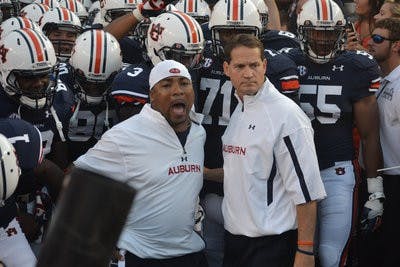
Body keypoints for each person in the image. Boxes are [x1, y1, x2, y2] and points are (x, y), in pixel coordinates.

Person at [74, 60, 208, 267]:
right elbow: (76, 178)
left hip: (190, 253)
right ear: (152, 95)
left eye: (184, 83)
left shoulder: (199, 131)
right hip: (142, 256)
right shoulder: (125, 135)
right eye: (166, 85)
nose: (177, 91)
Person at [284, 0, 383, 266]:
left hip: (336, 171)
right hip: (296, 175)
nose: (323, 39)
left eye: (330, 33)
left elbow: (369, 133)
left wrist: (375, 189)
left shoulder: (357, 67)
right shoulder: (287, 63)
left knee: (330, 255)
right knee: (301, 252)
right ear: (302, 31)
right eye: (316, 32)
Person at [220, 34, 325, 267]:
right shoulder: (241, 108)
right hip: (236, 243)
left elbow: (306, 191)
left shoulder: (287, 116)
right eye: (240, 66)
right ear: (226, 69)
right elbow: (247, 171)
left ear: (264, 66)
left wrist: (305, 251)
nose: (248, 73)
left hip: (272, 247)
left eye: (254, 65)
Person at [366, 17, 400, 267]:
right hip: (381, 177)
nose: (370, 43)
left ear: (397, 45)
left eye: (378, 39)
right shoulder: (379, 78)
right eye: (371, 37)